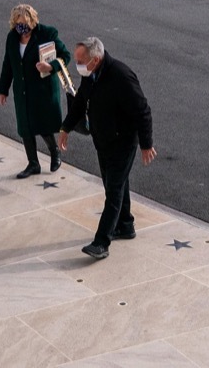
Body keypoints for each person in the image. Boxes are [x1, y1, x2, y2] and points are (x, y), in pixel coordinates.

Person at [57, 37, 155, 260]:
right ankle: (125, 224)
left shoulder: (121, 76)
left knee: (113, 191)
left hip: (123, 141)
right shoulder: (91, 76)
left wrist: (146, 144)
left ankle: (101, 242)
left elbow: (143, 111)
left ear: (96, 59)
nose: (78, 65)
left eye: (82, 60)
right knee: (115, 184)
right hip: (103, 141)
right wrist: (65, 128)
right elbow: (81, 102)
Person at [0, 4, 72, 179]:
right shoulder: (12, 38)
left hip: (42, 90)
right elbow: (8, 64)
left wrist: (50, 66)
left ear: (32, 21)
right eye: (17, 24)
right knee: (26, 127)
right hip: (23, 91)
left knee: (43, 124)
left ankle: (54, 153)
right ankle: (33, 163)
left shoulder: (47, 34)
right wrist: (3, 90)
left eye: (24, 23)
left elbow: (65, 55)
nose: (21, 28)